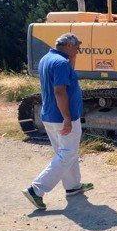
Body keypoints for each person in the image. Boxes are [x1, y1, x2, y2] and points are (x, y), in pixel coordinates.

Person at [23, 33, 93, 209]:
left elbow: (65, 77)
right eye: (77, 46)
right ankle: (36, 189)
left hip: (50, 116)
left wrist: (74, 56)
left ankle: (72, 187)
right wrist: (68, 119)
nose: (79, 49)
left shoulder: (48, 59)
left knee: (66, 153)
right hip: (62, 117)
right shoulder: (61, 63)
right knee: (67, 154)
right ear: (68, 45)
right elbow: (60, 92)